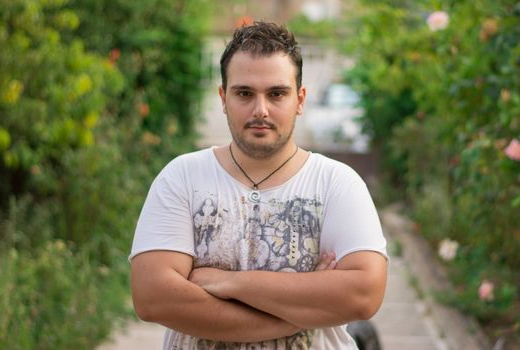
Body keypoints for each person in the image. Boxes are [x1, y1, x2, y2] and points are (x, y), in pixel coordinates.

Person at [129, 21, 388, 349]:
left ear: (300, 99)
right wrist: (305, 308)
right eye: (244, 93)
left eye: (277, 93)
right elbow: (154, 299)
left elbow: (363, 295)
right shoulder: (182, 178)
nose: (260, 109)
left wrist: (228, 282)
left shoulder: (337, 184)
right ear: (224, 98)